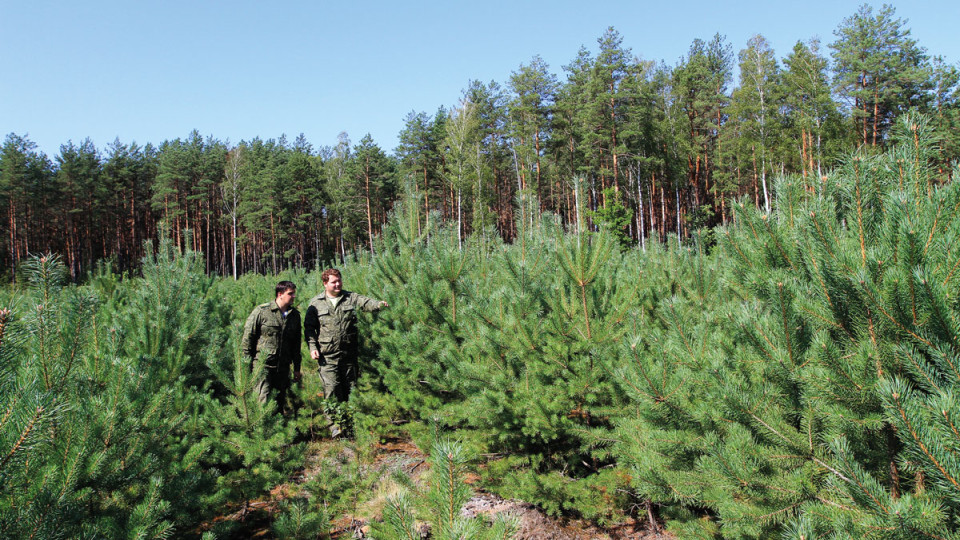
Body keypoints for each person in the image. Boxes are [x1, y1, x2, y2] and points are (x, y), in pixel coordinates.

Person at [304, 268, 387, 436]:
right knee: (332, 389)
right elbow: (309, 329)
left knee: (350, 389)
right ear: (325, 283)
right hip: (327, 357)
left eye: (339, 280)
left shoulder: (350, 297)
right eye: (333, 282)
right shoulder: (316, 303)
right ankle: (334, 427)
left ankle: (350, 424)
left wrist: (379, 305)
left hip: (349, 355)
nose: (337, 284)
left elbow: (366, 302)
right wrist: (313, 348)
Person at [241, 281, 302, 414]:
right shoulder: (262, 311)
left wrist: (297, 368)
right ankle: (261, 433)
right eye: (290, 294)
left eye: (294, 294)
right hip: (263, 366)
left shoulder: (294, 316)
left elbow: (296, 344)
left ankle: (278, 434)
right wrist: (245, 367)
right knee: (263, 402)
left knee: (279, 403)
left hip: (283, 368)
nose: (293, 297)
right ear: (280, 294)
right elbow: (247, 339)